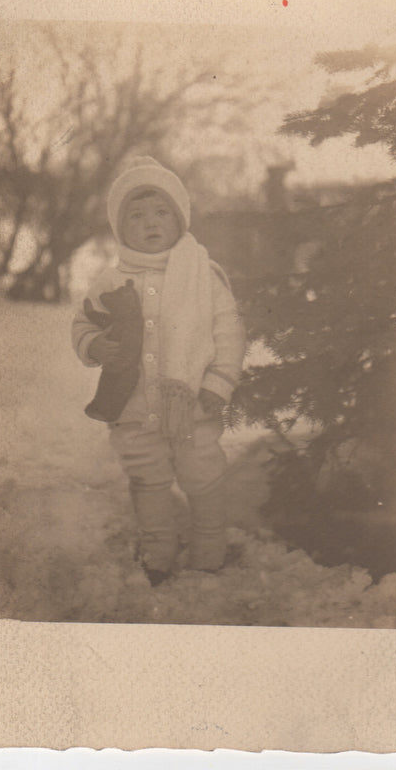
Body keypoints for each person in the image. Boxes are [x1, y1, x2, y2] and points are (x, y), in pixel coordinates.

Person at [72, 156, 246, 585]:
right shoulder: (111, 280)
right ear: (119, 228)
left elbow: (229, 333)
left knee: (202, 475)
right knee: (147, 480)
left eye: (161, 211)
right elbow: (83, 323)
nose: (150, 222)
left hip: (193, 406)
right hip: (132, 408)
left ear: (180, 217)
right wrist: (96, 344)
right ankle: (157, 555)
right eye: (136, 215)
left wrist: (218, 384)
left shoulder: (204, 275)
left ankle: (209, 551)